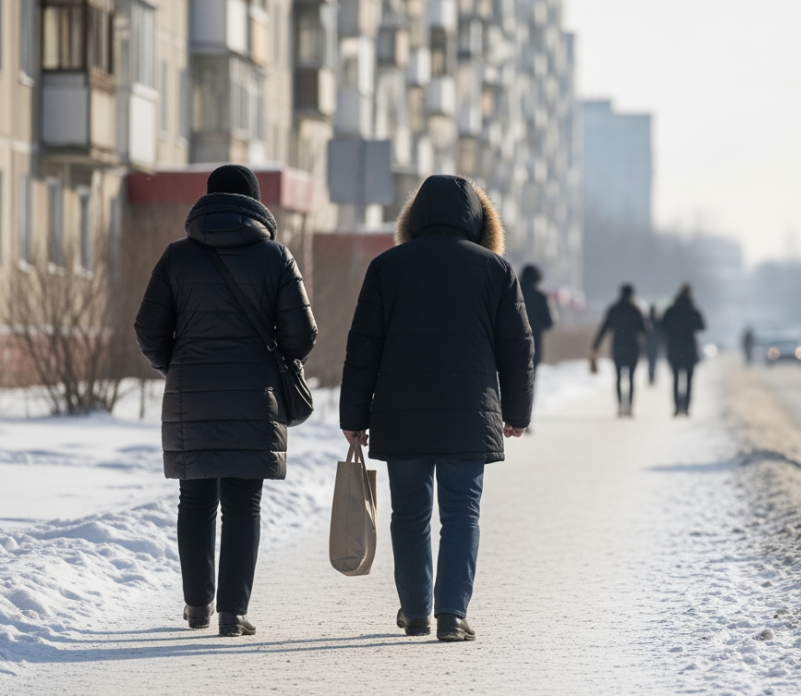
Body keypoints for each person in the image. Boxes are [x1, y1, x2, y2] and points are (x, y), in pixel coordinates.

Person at [339, 175, 533, 642]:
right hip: (469, 412)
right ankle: (452, 614)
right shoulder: (496, 270)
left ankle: (415, 612)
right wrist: (518, 410)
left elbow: (363, 346)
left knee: (409, 515)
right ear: (479, 219)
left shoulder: (387, 267)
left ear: (414, 217)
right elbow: (517, 347)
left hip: (401, 413)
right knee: (462, 513)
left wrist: (353, 416)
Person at [134, 165, 317, 637]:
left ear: (208, 201)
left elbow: (147, 329)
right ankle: (234, 613)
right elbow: (301, 336)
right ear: (256, 204)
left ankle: (197, 607)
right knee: (242, 501)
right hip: (254, 397)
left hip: (189, 395)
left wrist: (177, 365)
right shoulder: (275, 258)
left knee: (194, 499)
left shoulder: (177, 257)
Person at [591, 284, 647, 417]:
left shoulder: (614, 309)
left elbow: (604, 328)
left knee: (618, 378)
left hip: (618, 347)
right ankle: (630, 408)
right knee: (632, 378)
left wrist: (595, 345)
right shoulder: (636, 309)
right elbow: (644, 330)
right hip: (633, 348)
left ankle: (620, 406)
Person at [661, 284, 706, 416]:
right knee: (689, 381)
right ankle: (686, 408)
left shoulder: (671, 310)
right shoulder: (693, 310)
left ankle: (676, 408)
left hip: (674, 349)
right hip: (689, 350)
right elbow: (702, 326)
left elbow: (663, 327)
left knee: (675, 379)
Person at [520, 265, 554, 375]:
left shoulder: (511, 294)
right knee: (530, 381)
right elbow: (549, 322)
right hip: (533, 344)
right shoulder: (541, 298)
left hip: (511, 345)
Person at [645, 306, 662, 385]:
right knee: (653, 361)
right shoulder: (657, 321)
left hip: (648, 345)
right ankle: (652, 376)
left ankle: (651, 376)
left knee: (650, 362)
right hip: (655, 345)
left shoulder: (646, 321)